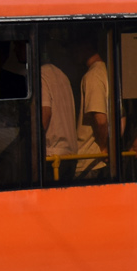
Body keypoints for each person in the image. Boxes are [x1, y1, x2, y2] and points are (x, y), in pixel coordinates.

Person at [39, 61, 78, 182]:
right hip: (70, 154)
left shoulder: (41, 75)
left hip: (53, 155)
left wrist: (32, 142)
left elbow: (45, 113)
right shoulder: (62, 75)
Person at [75, 46, 111, 176]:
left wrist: (103, 148)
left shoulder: (93, 75)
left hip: (90, 158)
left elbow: (100, 120)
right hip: (98, 158)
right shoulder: (109, 72)